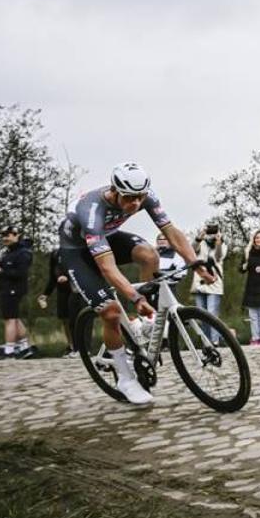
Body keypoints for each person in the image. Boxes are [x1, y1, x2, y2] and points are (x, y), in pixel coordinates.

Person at [58, 162, 213, 404]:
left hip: (106, 237)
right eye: (129, 198)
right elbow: (107, 267)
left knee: (150, 255)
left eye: (140, 198)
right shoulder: (92, 209)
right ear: (114, 191)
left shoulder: (145, 196)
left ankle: (145, 323)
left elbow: (171, 232)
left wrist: (196, 264)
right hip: (77, 250)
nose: (135, 204)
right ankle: (124, 377)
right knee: (109, 312)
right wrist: (134, 297)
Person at [0, 228, 36, 359]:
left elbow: (20, 273)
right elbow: (4, 266)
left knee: (10, 319)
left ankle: (9, 349)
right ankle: (25, 346)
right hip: (6, 288)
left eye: (7, 235)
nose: (5, 238)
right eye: (3, 236)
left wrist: (1, 270)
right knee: (14, 317)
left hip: (14, 289)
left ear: (16, 235)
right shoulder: (9, 252)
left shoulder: (23, 253)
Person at [37, 247, 79, 357]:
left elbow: (80, 269)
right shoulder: (55, 253)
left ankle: (80, 347)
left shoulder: (75, 250)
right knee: (65, 319)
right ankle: (71, 346)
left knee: (75, 320)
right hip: (62, 291)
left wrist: (68, 277)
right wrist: (45, 294)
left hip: (75, 290)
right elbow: (52, 276)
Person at [190, 223, 227, 344]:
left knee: (212, 314)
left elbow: (218, 256)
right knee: (202, 316)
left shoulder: (222, 245)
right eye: (209, 232)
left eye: (213, 232)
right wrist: (199, 237)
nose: (211, 235)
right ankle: (206, 342)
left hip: (214, 283)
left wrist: (218, 243)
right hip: (200, 283)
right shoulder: (201, 244)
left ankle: (215, 341)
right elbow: (191, 250)